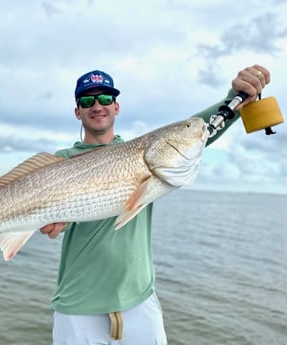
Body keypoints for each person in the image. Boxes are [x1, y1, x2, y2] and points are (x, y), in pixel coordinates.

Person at [40, 65, 271, 345]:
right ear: (78, 111)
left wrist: (235, 97)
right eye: (87, 101)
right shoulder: (61, 161)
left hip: (139, 303)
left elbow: (197, 131)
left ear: (117, 106)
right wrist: (50, 222)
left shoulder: (142, 150)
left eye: (105, 99)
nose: (97, 105)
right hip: (77, 308)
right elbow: (49, 219)